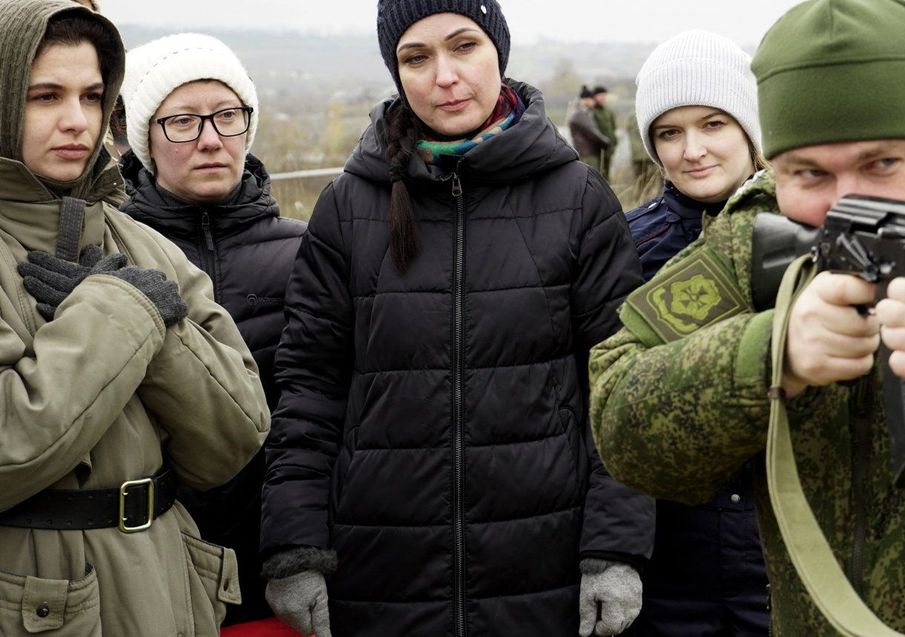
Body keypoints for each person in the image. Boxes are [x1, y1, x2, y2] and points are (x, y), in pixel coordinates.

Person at [589, 0, 905, 635]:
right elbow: (619, 419)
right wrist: (769, 355)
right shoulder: (757, 231)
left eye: (882, 164)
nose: (848, 202)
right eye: (810, 173)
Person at [259, 1, 655, 636]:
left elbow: (620, 385)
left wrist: (615, 550)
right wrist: (295, 545)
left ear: (498, 50)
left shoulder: (577, 199)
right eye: (416, 57)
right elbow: (310, 385)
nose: (444, 75)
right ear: (396, 72)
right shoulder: (348, 207)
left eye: (463, 45)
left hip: (547, 574)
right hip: (382, 576)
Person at [0, 1, 270, 635]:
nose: (76, 121)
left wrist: (160, 331)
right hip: (42, 603)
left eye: (93, 96)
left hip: (172, 588)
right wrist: (121, 308)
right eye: (45, 96)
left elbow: (234, 439)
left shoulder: (144, 247)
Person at [118, 32, 307, 628]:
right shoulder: (107, 258)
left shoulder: (308, 253)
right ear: (144, 139)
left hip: (283, 570)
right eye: (182, 121)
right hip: (150, 575)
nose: (210, 139)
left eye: (227, 116)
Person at [620, 30, 769, 636]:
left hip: (784, 554)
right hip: (670, 566)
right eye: (669, 133)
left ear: (751, 129)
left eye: (713, 124)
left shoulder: (811, 235)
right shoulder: (626, 250)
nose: (692, 150)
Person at [568, 84, 612, 175]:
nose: (594, 102)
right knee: (592, 180)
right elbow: (593, 133)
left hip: (586, 153)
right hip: (587, 154)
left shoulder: (580, 112)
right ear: (587, 100)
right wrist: (606, 142)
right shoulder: (581, 114)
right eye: (592, 100)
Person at [591, 86, 617, 180]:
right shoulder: (592, 112)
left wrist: (614, 143)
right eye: (601, 96)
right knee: (599, 175)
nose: (603, 98)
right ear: (595, 96)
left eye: (604, 96)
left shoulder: (607, 111)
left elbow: (613, 128)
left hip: (609, 148)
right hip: (598, 149)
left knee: (607, 175)